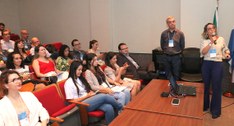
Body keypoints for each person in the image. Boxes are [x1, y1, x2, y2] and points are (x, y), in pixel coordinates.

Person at [200, 23, 230, 119]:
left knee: (216, 87)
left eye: (213, 28)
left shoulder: (221, 39)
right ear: (206, 31)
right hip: (207, 64)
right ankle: (205, 106)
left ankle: (215, 110)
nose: (212, 30)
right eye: (209, 29)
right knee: (206, 86)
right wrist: (211, 42)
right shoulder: (204, 40)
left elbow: (225, 49)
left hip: (217, 64)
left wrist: (227, 53)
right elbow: (203, 52)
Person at [160, 16, 185, 80]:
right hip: (166, 56)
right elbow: (162, 45)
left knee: (176, 74)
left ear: (175, 22)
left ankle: (176, 88)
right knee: (168, 74)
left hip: (176, 57)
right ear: (167, 24)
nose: (172, 23)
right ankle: (168, 88)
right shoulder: (164, 33)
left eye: (173, 21)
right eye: (170, 22)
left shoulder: (180, 33)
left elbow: (182, 46)